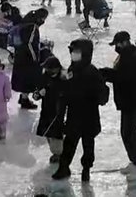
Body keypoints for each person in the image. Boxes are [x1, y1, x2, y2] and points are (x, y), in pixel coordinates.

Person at [52, 39, 110, 182]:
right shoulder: (71, 70)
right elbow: (64, 93)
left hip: (89, 115)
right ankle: (64, 168)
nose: (73, 54)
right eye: (72, 52)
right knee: (69, 144)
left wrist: (93, 96)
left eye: (76, 52)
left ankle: (86, 169)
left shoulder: (92, 72)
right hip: (74, 115)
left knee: (88, 145)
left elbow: (103, 96)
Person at [100, 31, 136, 180]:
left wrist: (105, 74)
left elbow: (123, 78)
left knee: (129, 133)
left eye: (117, 44)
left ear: (124, 42)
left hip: (133, 101)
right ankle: (135, 162)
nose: (116, 47)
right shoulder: (126, 55)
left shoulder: (132, 58)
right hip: (127, 101)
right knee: (127, 133)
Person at [12, 8, 48, 110]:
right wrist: (35, 58)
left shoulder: (25, 23)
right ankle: (24, 100)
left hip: (20, 55)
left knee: (24, 78)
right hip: (27, 57)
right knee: (28, 79)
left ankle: (23, 97)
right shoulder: (32, 27)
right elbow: (29, 43)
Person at [34, 56, 67, 164]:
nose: (48, 70)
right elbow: (36, 94)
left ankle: (58, 153)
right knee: (47, 133)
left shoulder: (63, 78)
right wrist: (39, 94)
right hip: (46, 109)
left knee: (57, 133)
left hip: (58, 111)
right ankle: (55, 152)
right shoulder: (44, 77)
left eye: (50, 68)